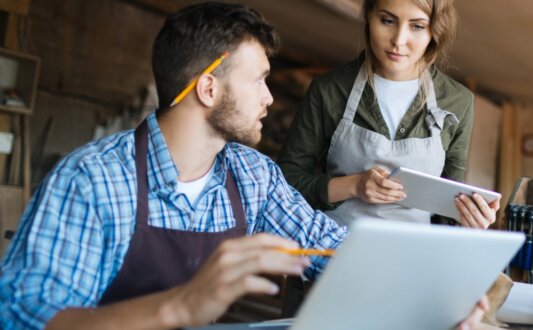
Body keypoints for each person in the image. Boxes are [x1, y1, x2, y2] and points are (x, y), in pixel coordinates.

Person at [0, 2, 487, 329]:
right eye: (258, 81)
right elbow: (25, 316)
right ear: (209, 89)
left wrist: (442, 293)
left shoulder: (251, 175)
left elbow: (332, 248)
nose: (270, 98)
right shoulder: (93, 180)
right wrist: (177, 306)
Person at [278, 0, 500, 229]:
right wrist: (354, 185)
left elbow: (448, 206)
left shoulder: (458, 101)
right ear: (368, 16)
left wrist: (470, 218)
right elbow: (286, 183)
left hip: (413, 256)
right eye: (387, 21)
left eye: (417, 26)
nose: (399, 40)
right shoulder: (329, 90)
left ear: (435, 29)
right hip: (335, 249)